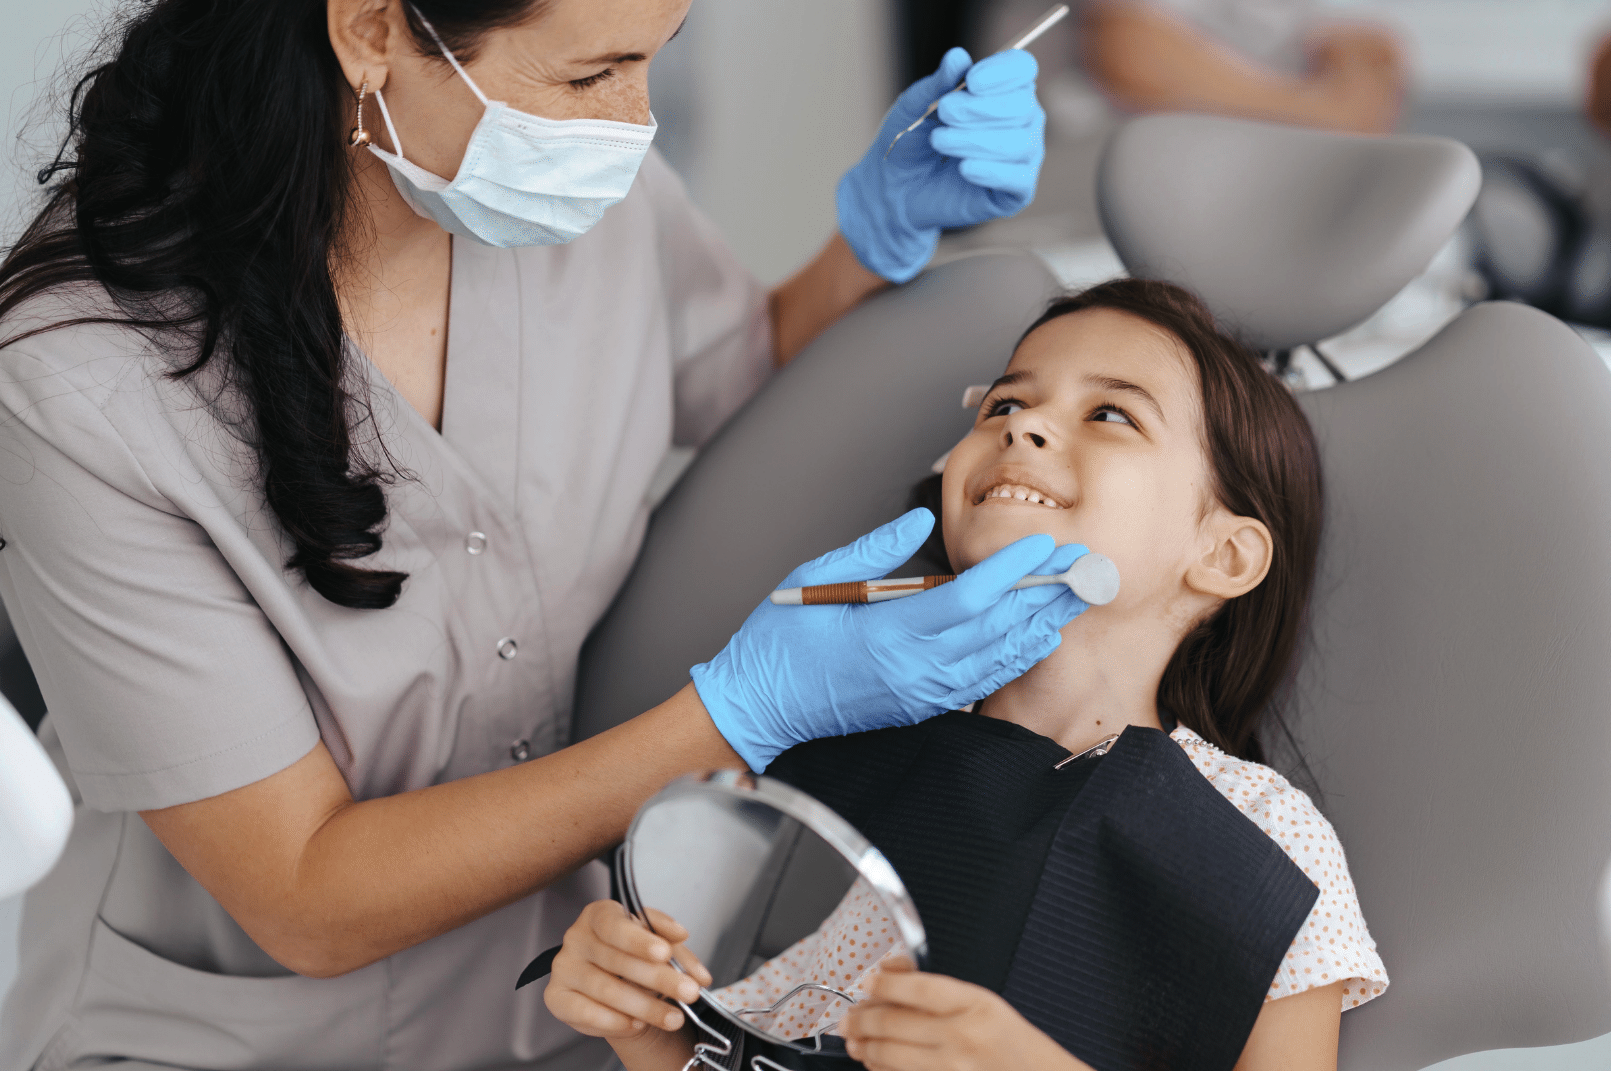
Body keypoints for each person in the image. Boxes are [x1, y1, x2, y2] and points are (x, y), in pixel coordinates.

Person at [0, 2, 1073, 1069]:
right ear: (372, 29)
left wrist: (875, 238)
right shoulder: (80, 379)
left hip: (576, 999)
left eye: (654, 62)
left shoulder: (563, 187)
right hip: (239, 1038)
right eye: (589, 75)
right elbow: (304, 896)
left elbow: (729, 372)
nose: (631, 122)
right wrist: (741, 713)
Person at [543, 279, 1387, 1071]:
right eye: (1005, 404)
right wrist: (641, 1023)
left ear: (1225, 554)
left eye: (1109, 413)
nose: (1022, 427)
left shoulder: (1267, 840)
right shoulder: (828, 772)